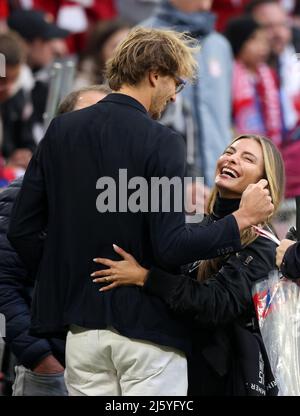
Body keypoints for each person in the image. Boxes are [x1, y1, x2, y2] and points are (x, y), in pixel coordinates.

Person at [8, 28, 273, 397]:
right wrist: (240, 221)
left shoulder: (61, 129)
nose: (174, 97)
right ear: (154, 74)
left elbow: (21, 229)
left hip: (81, 333)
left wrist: (72, 275)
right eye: (175, 84)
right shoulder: (161, 141)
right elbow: (170, 246)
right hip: (147, 337)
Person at [92, 134, 284, 396]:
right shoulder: (200, 224)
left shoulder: (263, 244)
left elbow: (215, 303)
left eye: (247, 158)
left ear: (264, 182)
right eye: (229, 151)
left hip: (220, 379)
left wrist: (145, 278)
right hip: (176, 364)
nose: (232, 159)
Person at [0, 85, 109, 396]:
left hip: (110, 369)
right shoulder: (24, 196)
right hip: (52, 371)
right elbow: (3, 285)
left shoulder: (125, 198)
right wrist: (42, 360)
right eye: (86, 117)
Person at [140, 0, 233, 189]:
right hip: (159, 182)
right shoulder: (143, 38)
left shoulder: (220, 45)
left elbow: (224, 117)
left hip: (216, 180)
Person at [224, 16, 282, 144]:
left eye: (264, 41)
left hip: (269, 141)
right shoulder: (229, 74)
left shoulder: (269, 75)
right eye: (254, 40)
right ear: (239, 41)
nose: (262, 48)